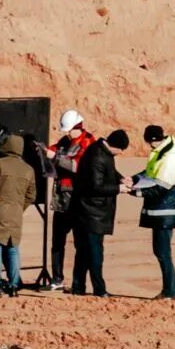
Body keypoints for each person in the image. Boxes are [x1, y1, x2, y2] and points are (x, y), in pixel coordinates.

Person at [68, 127, 130, 296]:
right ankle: (99, 289)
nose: (121, 153)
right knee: (94, 252)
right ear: (115, 146)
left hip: (88, 211)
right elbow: (96, 186)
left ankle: (78, 287)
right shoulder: (98, 156)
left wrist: (120, 178)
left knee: (84, 251)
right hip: (92, 212)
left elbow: (107, 172)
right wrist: (119, 188)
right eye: (121, 150)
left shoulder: (101, 151)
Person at [131, 123, 175, 299]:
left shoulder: (171, 159)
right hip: (161, 211)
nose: (149, 146)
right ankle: (170, 290)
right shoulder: (161, 153)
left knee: (163, 252)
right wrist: (133, 179)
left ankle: (171, 291)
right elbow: (150, 173)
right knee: (161, 251)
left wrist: (135, 191)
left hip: (165, 212)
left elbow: (160, 188)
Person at [0, 130, 37, 297]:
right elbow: (31, 195)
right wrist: (20, 207)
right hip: (16, 214)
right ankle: (13, 285)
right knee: (12, 248)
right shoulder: (28, 169)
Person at [44, 111, 94, 290]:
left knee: (80, 243)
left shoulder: (88, 143)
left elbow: (77, 166)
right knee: (57, 241)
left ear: (78, 127)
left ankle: (78, 282)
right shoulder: (66, 142)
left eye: (69, 130)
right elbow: (54, 149)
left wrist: (55, 158)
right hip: (61, 198)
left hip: (78, 199)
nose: (67, 134)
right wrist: (45, 151)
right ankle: (57, 279)